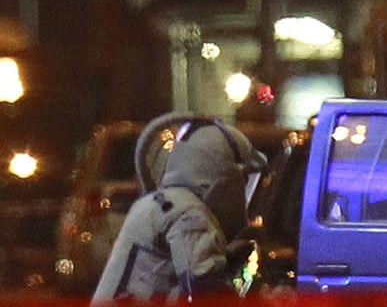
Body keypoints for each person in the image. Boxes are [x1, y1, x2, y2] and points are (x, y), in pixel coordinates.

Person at [91, 114, 266, 305]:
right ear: (223, 177)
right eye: (244, 182)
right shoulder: (188, 213)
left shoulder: (156, 203)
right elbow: (205, 285)